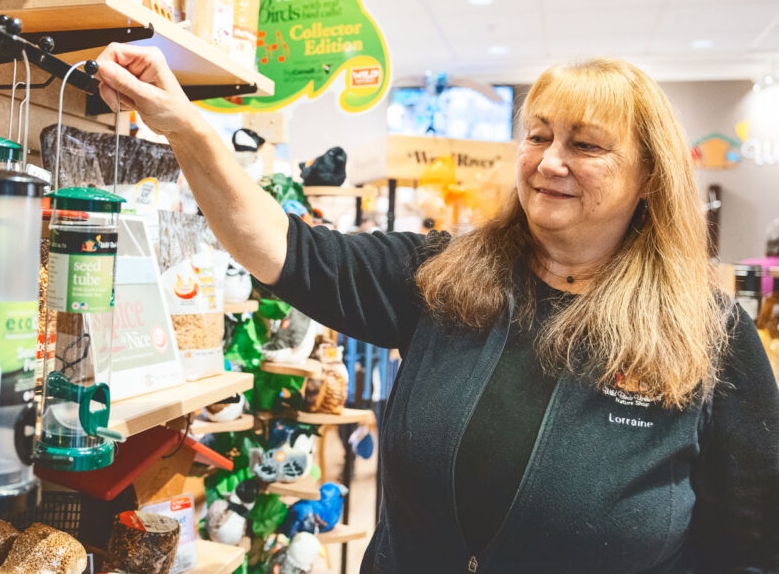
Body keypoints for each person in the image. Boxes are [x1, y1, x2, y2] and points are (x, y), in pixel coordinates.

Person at [95, 47, 779, 573]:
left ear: (649, 176)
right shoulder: (444, 276)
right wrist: (185, 126)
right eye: (538, 136)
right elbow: (282, 247)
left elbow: (754, 539)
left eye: (586, 144)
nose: (550, 161)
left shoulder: (709, 332)